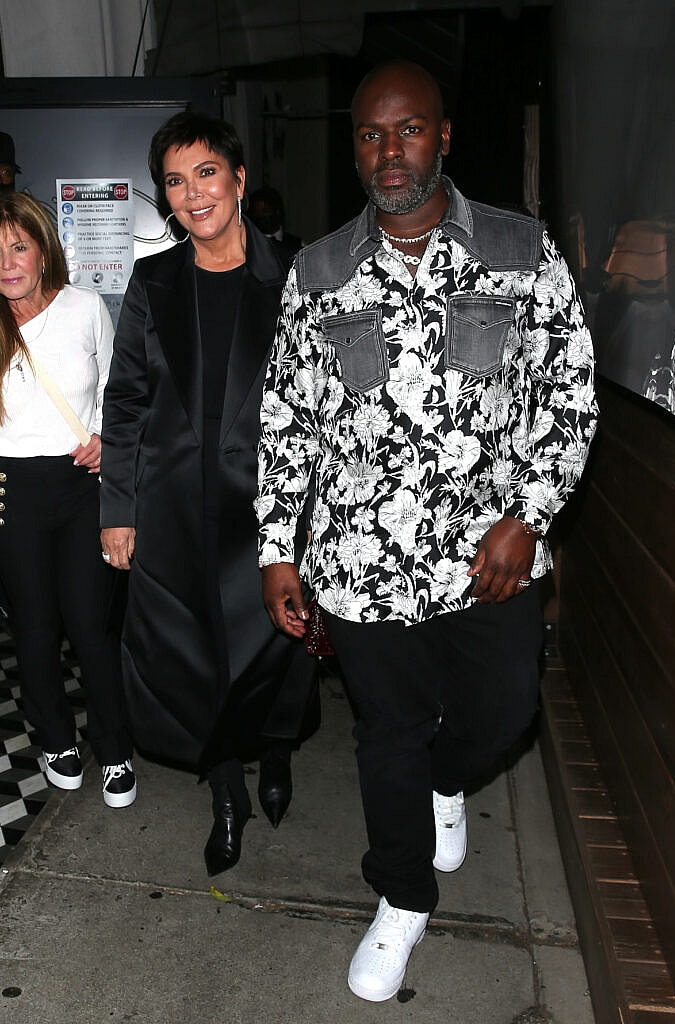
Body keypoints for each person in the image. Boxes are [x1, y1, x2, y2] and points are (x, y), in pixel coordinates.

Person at [257, 60, 598, 1002]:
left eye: (407, 130)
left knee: (502, 715)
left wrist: (528, 514)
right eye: (369, 134)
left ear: (443, 136)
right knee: (386, 735)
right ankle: (401, 899)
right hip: (362, 565)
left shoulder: (520, 252)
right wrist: (278, 547)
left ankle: (451, 780)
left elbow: (568, 394)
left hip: (488, 558)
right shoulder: (319, 271)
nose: (387, 150)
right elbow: (288, 418)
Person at [99, 111, 318, 877]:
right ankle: (225, 791)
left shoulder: (296, 274)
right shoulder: (154, 280)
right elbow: (125, 400)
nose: (193, 193)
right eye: (175, 179)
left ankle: (277, 751)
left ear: (238, 180)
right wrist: (118, 510)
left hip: (274, 510)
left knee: (282, 650)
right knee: (195, 658)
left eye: (206, 173)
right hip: (175, 509)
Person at [0, 192, 136, 808]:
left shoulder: (84, 309)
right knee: (34, 628)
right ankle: (57, 739)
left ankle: (114, 748)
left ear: (42, 248)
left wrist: (109, 442)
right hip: (12, 493)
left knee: (90, 625)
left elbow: (119, 393)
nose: (7, 262)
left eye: (19, 246)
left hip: (82, 489)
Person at [247, 186, 303, 261]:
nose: (260, 216)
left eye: (264, 211)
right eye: (256, 212)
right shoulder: (249, 244)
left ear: (277, 211)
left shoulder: (298, 244)